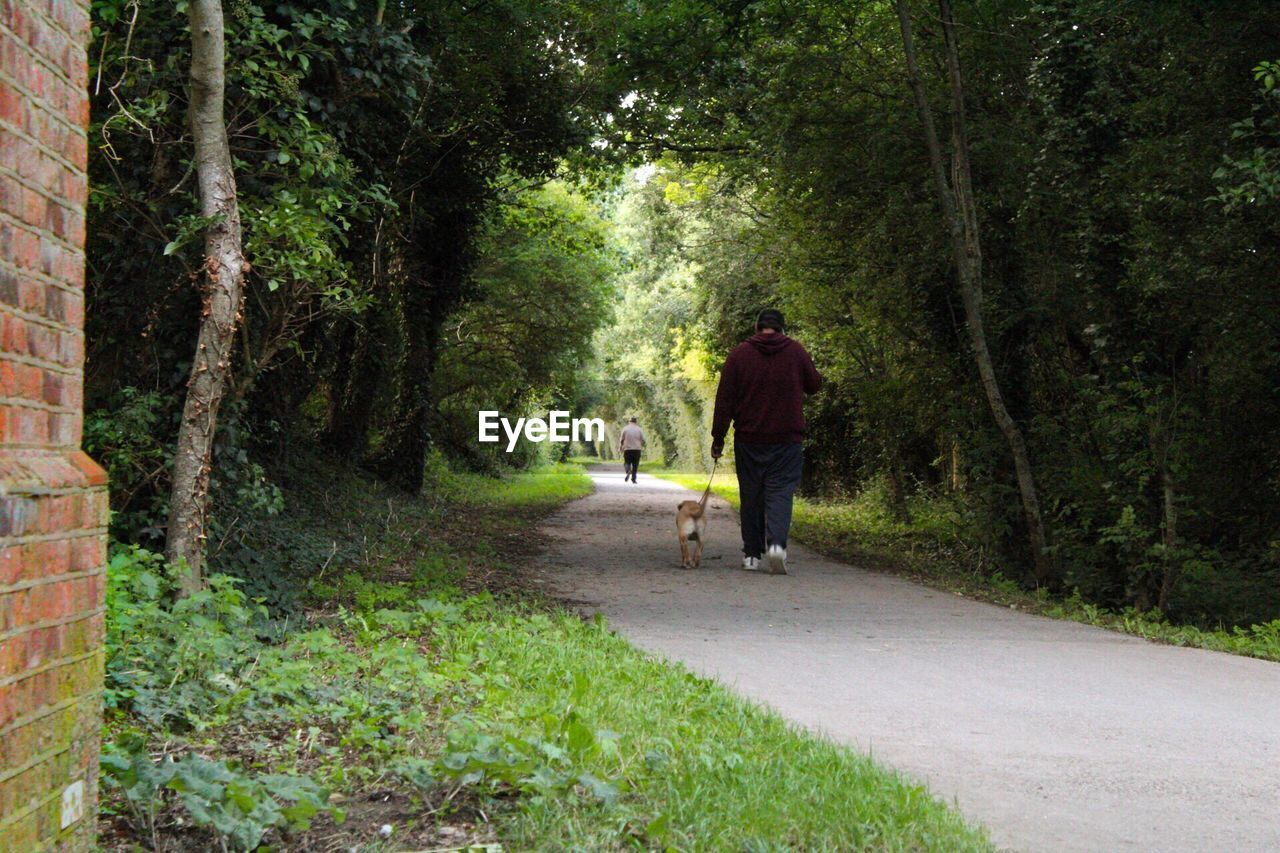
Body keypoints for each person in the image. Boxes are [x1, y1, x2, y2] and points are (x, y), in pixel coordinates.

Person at [710, 309, 822, 574]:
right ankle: (776, 547)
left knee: (751, 494)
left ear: (756, 326)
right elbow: (815, 385)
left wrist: (718, 438)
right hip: (787, 439)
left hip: (749, 439)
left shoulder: (739, 355)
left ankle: (751, 555)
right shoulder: (796, 351)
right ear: (782, 328)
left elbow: (724, 399)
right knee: (781, 492)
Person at [619, 417, 645, 483]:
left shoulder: (625, 429)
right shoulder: (639, 429)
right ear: (636, 422)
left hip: (627, 449)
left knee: (626, 462)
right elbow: (642, 440)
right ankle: (633, 479)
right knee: (635, 465)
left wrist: (621, 447)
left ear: (629, 422)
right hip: (637, 449)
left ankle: (628, 470)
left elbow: (622, 439)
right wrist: (641, 445)